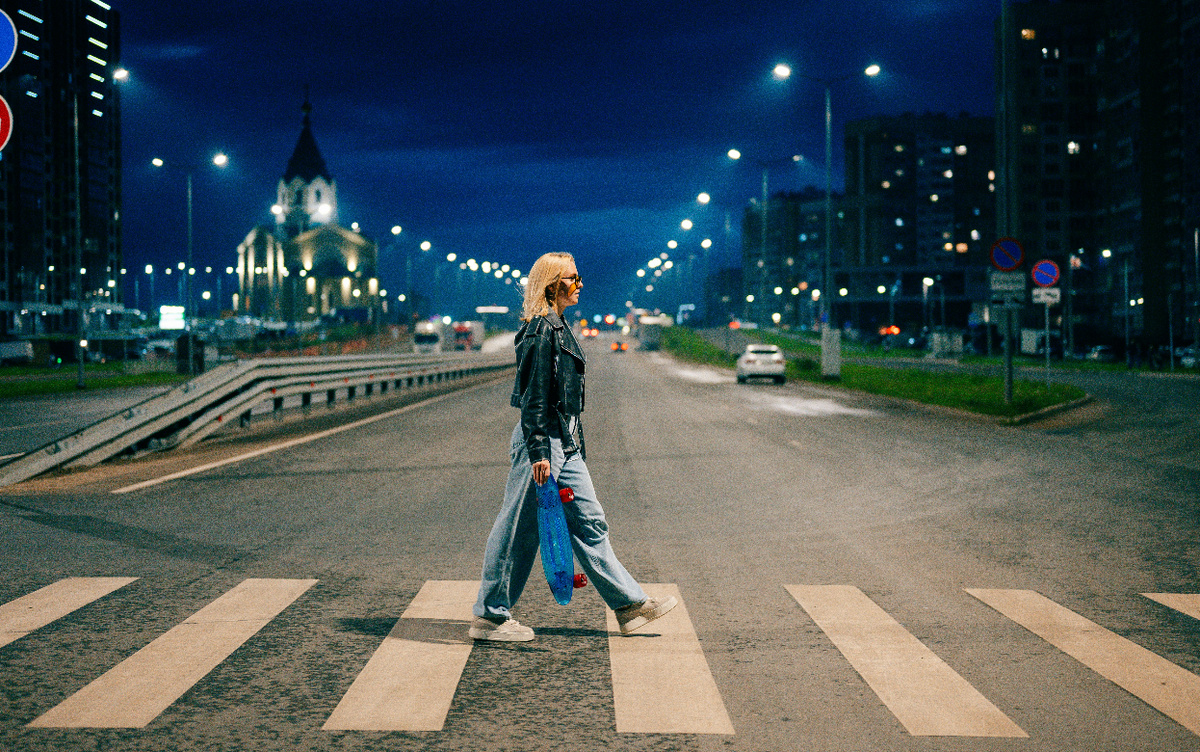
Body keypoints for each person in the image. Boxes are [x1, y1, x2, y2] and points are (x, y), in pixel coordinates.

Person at [470, 251, 676, 641]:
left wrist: (573, 446)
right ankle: (490, 616)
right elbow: (533, 397)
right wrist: (538, 453)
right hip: (543, 441)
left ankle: (629, 606)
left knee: (590, 522)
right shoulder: (539, 331)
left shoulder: (559, 327)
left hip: (565, 441)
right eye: (572, 278)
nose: (580, 284)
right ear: (552, 285)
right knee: (518, 528)